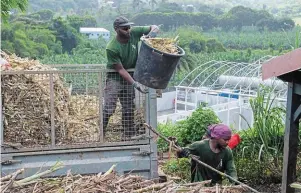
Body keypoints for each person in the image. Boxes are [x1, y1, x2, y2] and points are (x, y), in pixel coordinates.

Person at [103, 16, 159, 140]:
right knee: (109, 108)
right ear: (116, 29)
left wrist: (151, 35)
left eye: (129, 27)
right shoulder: (112, 47)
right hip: (115, 79)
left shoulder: (134, 33)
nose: (128, 30)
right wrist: (134, 83)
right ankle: (101, 133)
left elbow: (154, 27)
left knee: (128, 107)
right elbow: (120, 69)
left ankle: (128, 135)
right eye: (125, 28)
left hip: (130, 78)